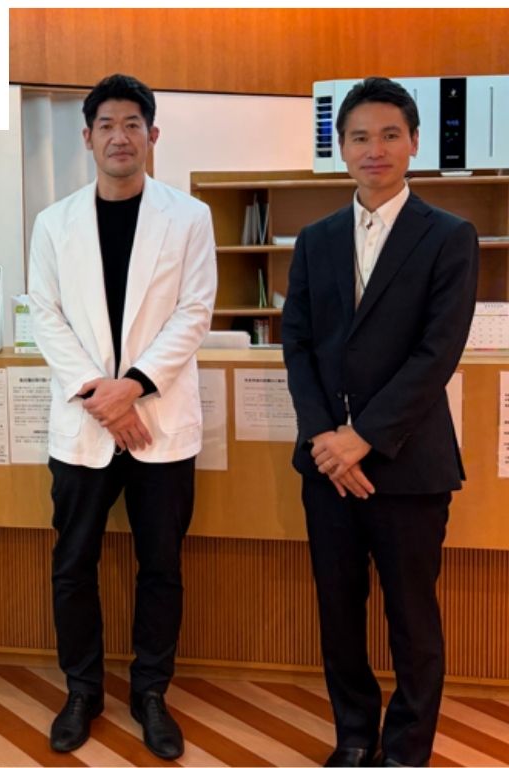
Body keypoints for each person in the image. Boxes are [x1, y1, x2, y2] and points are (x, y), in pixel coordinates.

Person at [281, 77, 479, 768]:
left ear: (414, 142)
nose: (375, 149)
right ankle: (355, 736)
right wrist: (324, 440)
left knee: (411, 618)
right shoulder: (316, 239)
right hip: (327, 468)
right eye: (360, 137)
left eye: (390, 135)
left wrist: (362, 438)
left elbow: (437, 352)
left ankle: (405, 750)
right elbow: (297, 344)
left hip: (408, 462)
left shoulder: (449, 236)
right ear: (341, 149)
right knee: (339, 613)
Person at [28, 74, 216, 759]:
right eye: (106, 124)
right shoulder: (53, 223)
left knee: (160, 565)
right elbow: (44, 315)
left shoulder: (189, 217)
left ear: (152, 135)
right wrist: (100, 395)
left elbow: (195, 312)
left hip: (158, 423)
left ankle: (151, 693)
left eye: (133, 124)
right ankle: (82, 691)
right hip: (86, 425)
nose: (119, 136)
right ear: (87, 137)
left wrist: (131, 387)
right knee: (73, 563)